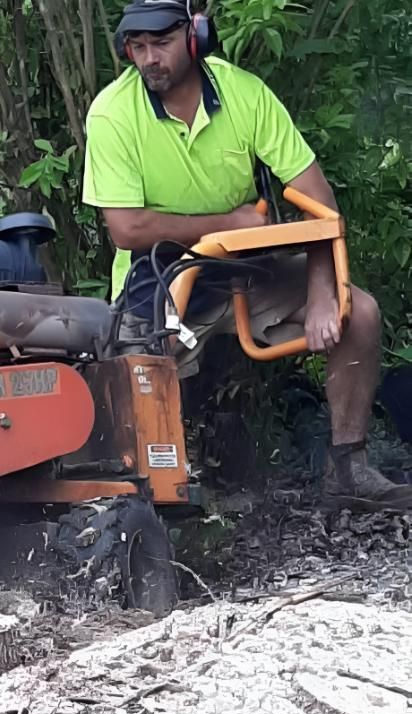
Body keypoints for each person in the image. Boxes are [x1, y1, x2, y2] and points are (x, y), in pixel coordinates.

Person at [81, 0, 412, 511]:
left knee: (359, 313)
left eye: (162, 43)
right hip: (159, 273)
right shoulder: (111, 111)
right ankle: (148, 501)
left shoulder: (243, 93)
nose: (149, 58)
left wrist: (323, 290)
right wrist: (227, 224)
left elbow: (319, 200)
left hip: (247, 266)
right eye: (137, 47)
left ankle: (348, 468)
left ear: (195, 37)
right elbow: (128, 229)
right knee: (135, 370)